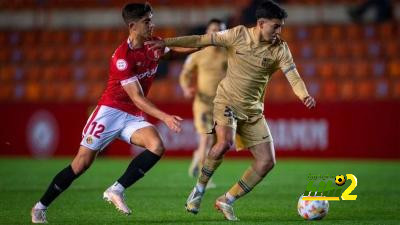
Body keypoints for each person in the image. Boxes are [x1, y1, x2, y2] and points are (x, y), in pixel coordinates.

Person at [147, 0, 316, 221]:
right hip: (227, 102)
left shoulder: (280, 48)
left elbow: (293, 76)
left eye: (281, 26)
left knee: (266, 162)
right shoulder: (237, 35)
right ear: (261, 23)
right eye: (276, 26)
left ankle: (227, 199)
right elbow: (201, 40)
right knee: (223, 143)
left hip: (253, 112)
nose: (279, 31)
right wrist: (166, 42)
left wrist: (303, 95)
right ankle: (199, 190)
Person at [31, 3, 191, 223]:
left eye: (151, 20)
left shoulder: (152, 46)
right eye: (147, 21)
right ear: (133, 26)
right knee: (81, 164)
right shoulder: (122, 57)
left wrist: (207, 43)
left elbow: (175, 54)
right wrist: (164, 117)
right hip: (110, 112)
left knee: (157, 146)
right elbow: (137, 97)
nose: (152, 25)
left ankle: (116, 190)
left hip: (131, 115)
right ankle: (40, 207)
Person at [179, 19, 227, 188]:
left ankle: (197, 156)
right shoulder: (197, 53)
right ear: (207, 32)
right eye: (213, 30)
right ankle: (204, 177)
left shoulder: (229, 53)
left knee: (217, 144)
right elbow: (185, 73)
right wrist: (186, 88)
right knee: (206, 139)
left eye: (220, 30)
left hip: (222, 104)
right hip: (203, 103)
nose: (216, 33)